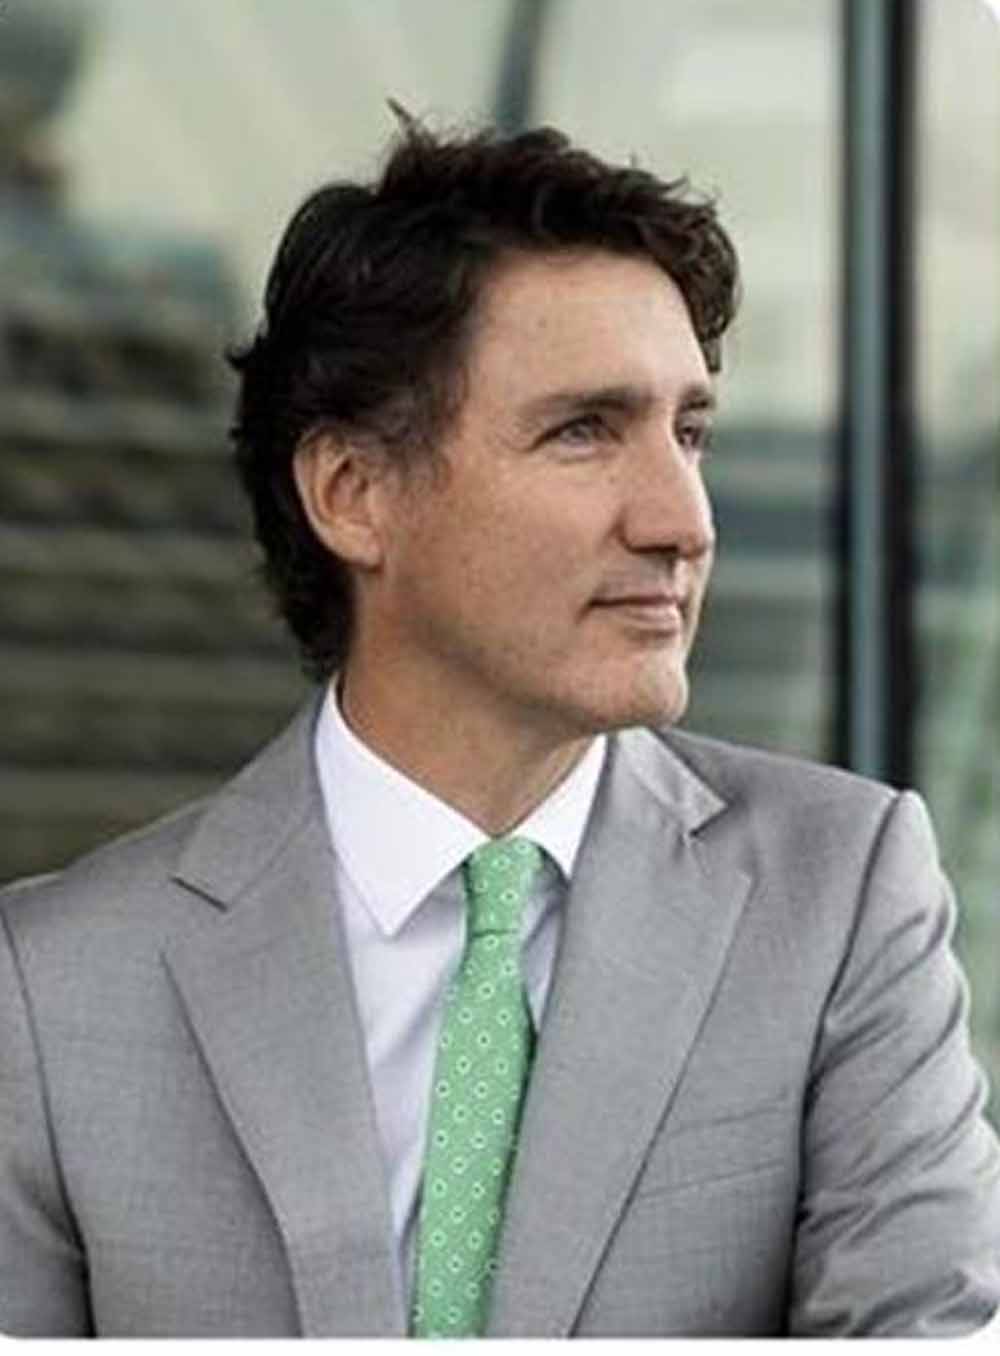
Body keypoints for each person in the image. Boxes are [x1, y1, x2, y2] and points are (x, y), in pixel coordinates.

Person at [1, 114, 998, 1340]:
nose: (682, 520)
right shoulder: (51, 988)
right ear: (352, 494)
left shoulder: (839, 896)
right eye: (584, 431)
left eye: (689, 433)